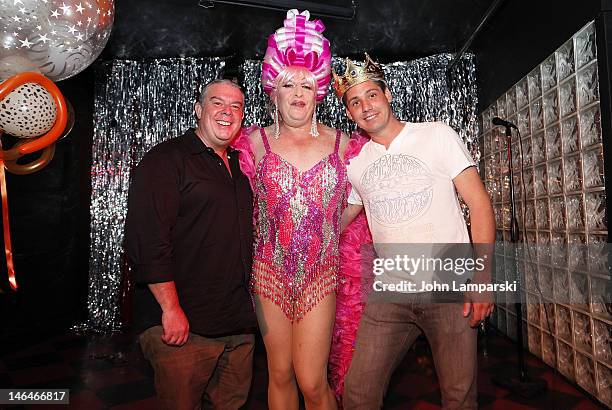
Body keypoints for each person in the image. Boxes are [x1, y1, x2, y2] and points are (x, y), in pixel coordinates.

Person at [334, 54, 496, 409]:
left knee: (458, 395)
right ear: (349, 113)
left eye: (372, 95)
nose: (366, 106)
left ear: (388, 95)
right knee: (358, 393)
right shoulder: (357, 164)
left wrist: (482, 278)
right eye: (355, 102)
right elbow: (341, 218)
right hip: (390, 294)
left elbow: (480, 204)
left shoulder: (437, 135)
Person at [233, 9, 348, 410]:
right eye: (288, 83)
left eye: (307, 83)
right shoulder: (251, 143)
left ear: (319, 90)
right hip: (268, 273)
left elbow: (366, 202)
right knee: (279, 373)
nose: (298, 91)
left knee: (312, 380)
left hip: (321, 273)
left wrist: (331, 228)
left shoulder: (345, 146)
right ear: (273, 90)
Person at [125, 79, 257, 410]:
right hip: (184, 326)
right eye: (217, 103)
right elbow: (148, 241)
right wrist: (171, 310)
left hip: (237, 324)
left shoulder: (243, 167)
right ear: (198, 110)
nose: (227, 112)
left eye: (236, 106)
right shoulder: (167, 160)